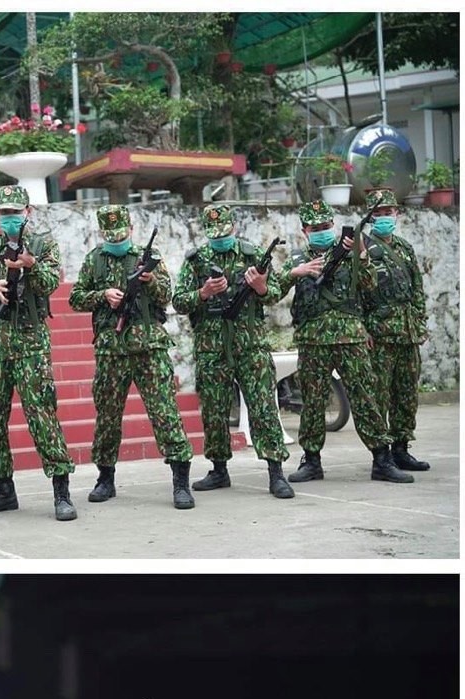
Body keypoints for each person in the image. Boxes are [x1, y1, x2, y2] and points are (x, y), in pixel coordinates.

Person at [0, 184, 77, 521]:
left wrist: (31, 265)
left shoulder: (43, 245)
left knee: (42, 414)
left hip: (30, 342)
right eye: (3, 213)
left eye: (15, 212)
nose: (9, 218)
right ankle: (2, 489)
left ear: (28, 212)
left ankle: (61, 490)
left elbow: (51, 283)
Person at [276, 199, 413, 484]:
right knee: (313, 403)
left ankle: (382, 458)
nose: (323, 231)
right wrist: (293, 274)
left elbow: (371, 286)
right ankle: (311, 461)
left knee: (366, 399)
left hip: (351, 338)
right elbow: (270, 293)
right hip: (313, 342)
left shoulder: (350, 254)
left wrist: (361, 255)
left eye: (327, 226)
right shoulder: (298, 260)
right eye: (316, 228)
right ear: (305, 230)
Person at [68, 204, 195, 509]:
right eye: (111, 235)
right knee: (108, 417)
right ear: (102, 233)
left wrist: (151, 282)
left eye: (121, 233)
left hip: (149, 347)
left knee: (165, 414)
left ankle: (181, 482)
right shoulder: (94, 260)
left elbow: (168, 295)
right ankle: (105, 478)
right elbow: (75, 298)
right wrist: (103, 296)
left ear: (131, 229)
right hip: (111, 349)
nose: (117, 239)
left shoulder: (147, 257)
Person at [171, 204, 294, 500]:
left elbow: (275, 294)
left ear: (234, 228)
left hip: (250, 347)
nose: (220, 238)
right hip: (212, 348)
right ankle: (218, 469)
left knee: (263, 409)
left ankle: (276, 472)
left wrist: (262, 287)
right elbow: (178, 301)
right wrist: (203, 293)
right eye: (214, 235)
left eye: (224, 233)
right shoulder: (197, 261)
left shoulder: (252, 255)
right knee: (213, 411)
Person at [361, 187, 431, 471]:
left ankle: (402, 447)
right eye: (378, 214)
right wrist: (362, 329)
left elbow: (417, 289)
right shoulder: (363, 248)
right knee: (379, 394)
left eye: (388, 212)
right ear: (369, 217)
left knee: (407, 394)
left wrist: (419, 321)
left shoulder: (404, 248)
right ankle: (383, 453)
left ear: (396, 213)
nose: (384, 217)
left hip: (407, 332)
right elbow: (357, 294)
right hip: (379, 334)